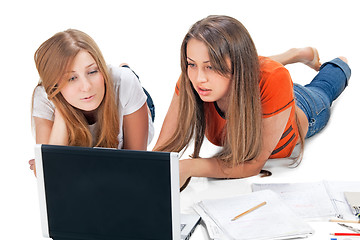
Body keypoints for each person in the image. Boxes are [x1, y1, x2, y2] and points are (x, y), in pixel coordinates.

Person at [153, 15, 351, 189]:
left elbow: (254, 163)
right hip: (258, 85)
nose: (199, 78)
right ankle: (293, 54)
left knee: (325, 85)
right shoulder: (193, 82)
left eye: (211, 66)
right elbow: (160, 152)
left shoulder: (273, 78)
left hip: (304, 106)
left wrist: (188, 167)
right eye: (191, 64)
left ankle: (334, 63)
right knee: (258, 72)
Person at [29, 29, 154, 174]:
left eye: (93, 71)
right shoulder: (46, 97)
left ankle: (126, 69)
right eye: (71, 78)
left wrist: (54, 164)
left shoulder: (125, 84)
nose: (87, 87)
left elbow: (135, 166)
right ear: (54, 86)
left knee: (127, 78)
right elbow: (49, 174)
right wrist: (62, 114)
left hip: (127, 98)